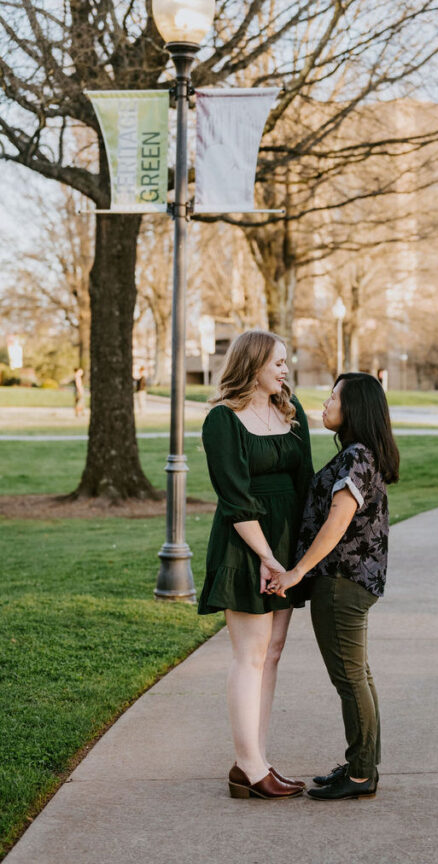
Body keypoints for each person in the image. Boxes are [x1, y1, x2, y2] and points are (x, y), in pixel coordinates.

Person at [269, 372, 399, 801]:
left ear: (354, 408)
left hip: (341, 582)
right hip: (353, 581)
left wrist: (296, 572)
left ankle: (361, 775)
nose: (325, 404)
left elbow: (337, 522)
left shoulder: (356, 457)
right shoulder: (362, 454)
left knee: (350, 679)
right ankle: (364, 765)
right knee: (358, 674)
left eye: (333, 397)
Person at [198, 330, 314, 800]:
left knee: (274, 652)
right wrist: (266, 557)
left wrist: (300, 557)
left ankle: (257, 757)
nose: (285, 370)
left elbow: (305, 480)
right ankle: (249, 767)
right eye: (278, 362)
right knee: (250, 654)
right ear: (253, 363)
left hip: (286, 543)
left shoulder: (291, 410)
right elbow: (234, 497)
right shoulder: (221, 421)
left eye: (286, 362)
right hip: (246, 544)